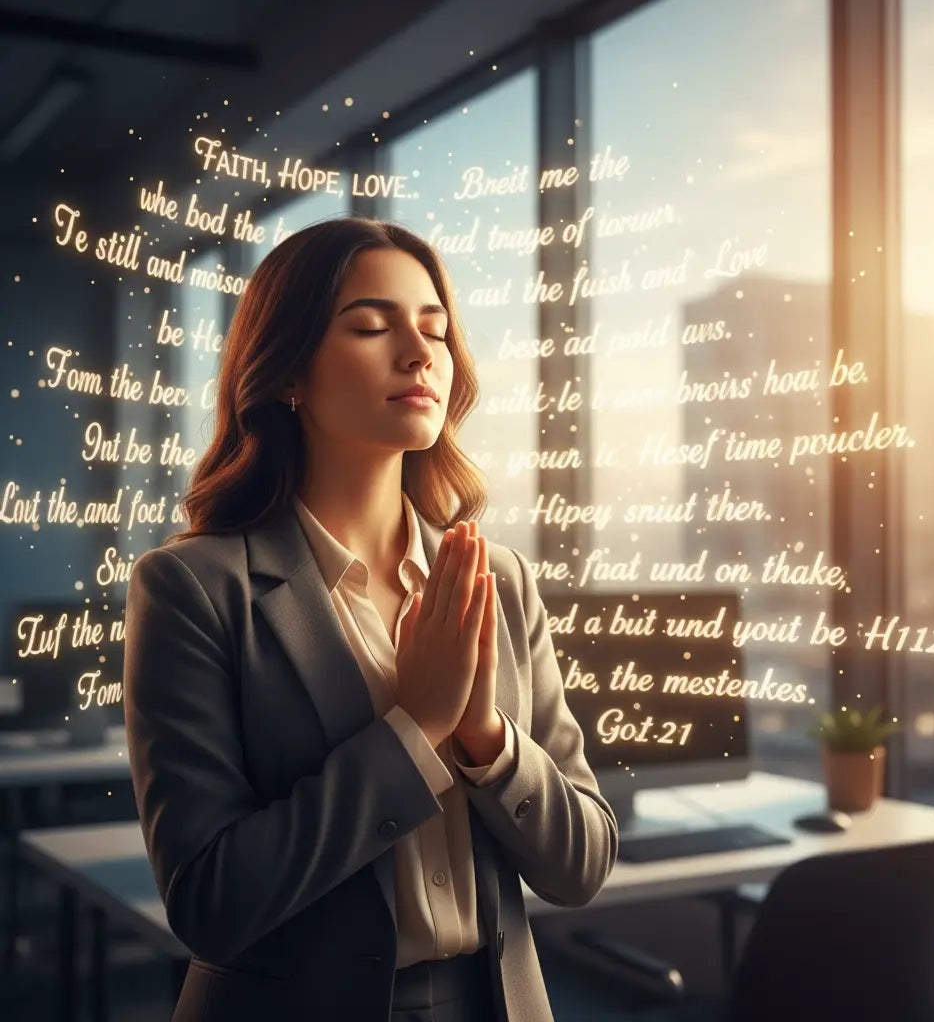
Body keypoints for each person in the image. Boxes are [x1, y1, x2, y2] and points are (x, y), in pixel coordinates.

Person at [123, 216, 618, 1022]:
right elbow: (208, 904)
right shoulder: (191, 588)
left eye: (435, 329)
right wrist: (417, 726)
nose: (420, 352)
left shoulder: (500, 578)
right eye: (369, 325)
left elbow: (584, 863)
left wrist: (485, 739)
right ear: (285, 372)